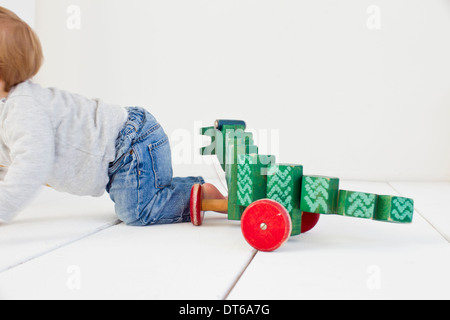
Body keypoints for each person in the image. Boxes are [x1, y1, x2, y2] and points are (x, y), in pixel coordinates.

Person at [0, 6, 225, 226]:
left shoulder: (24, 109)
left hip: (130, 145)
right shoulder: (10, 108)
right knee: (137, 198)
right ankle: (189, 190)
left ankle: (199, 196)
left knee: (137, 211)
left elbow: (31, 165)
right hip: (124, 148)